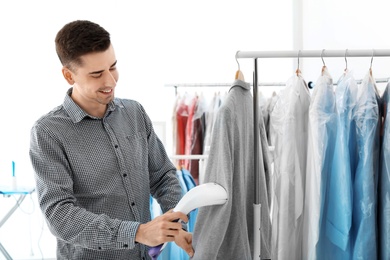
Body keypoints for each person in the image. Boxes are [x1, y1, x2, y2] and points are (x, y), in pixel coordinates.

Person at [29, 20, 194, 260]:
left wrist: (175, 223)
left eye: (113, 67)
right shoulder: (48, 132)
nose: (110, 81)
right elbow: (60, 215)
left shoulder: (134, 113)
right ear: (68, 75)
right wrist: (136, 232)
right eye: (96, 74)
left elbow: (162, 176)